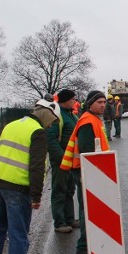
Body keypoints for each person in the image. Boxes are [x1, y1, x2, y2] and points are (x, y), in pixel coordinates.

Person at [0, 100, 59, 254]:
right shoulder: (37, 132)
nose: (51, 125)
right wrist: (36, 195)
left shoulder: (11, 125)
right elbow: (37, 166)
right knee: (18, 233)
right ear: (47, 114)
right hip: (17, 188)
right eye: (52, 121)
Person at [60, 90, 109, 254]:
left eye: (104, 102)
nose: (103, 105)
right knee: (87, 208)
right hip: (85, 171)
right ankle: (83, 246)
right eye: (99, 102)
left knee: (88, 207)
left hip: (87, 171)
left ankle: (87, 244)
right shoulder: (88, 122)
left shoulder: (93, 119)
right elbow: (88, 152)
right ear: (90, 104)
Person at [46, 89, 79, 234]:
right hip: (61, 161)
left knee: (69, 190)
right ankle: (59, 222)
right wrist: (62, 159)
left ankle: (69, 218)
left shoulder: (71, 115)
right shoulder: (57, 117)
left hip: (71, 161)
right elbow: (51, 140)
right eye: (73, 99)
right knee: (59, 191)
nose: (75, 101)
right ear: (65, 100)